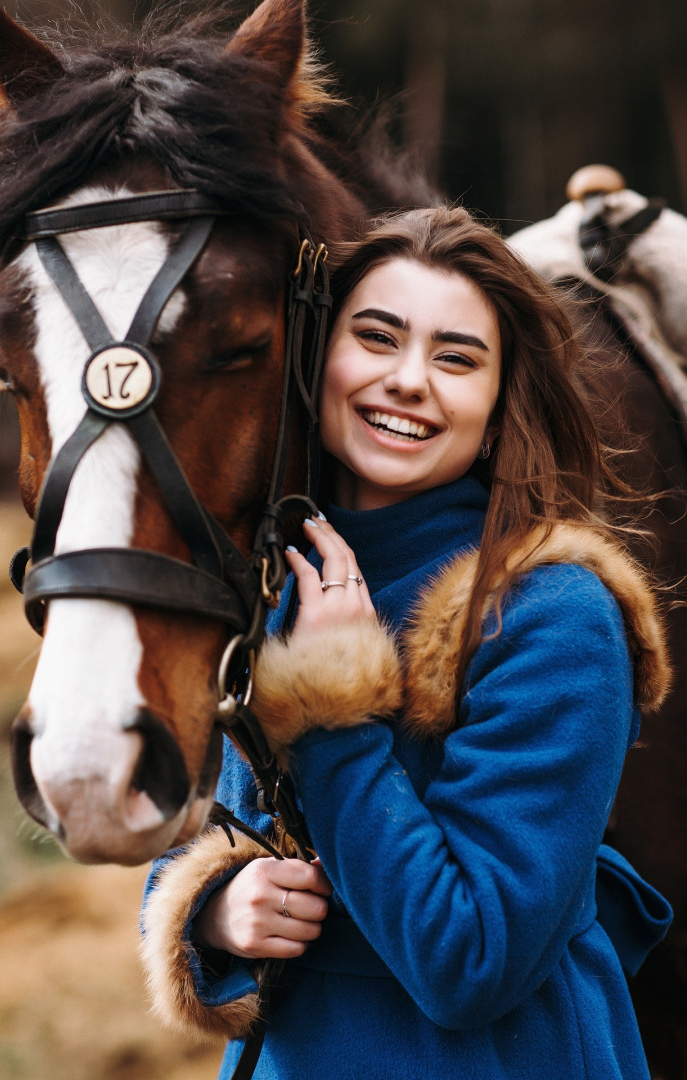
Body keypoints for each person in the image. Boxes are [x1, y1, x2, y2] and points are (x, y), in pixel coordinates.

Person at [141, 206, 672, 1079]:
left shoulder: (555, 614)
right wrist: (213, 911)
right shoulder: (262, 583)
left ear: (499, 411)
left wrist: (332, 706)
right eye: (378, 338)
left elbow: (473, 961)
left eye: (457, 357)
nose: (410, 379)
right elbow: (194, 836)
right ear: (316, 364)